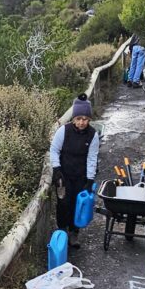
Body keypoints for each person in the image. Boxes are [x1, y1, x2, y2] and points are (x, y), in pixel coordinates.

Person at [50, 94, 99, 248]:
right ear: (73, 119)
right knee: (63, 203)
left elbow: (92, 158)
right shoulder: (63, 131)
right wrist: (56, 169)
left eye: (85, 119)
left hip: (80, 176)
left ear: (89, 119)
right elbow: (54, 150)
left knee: (77, 204)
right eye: (78, 119)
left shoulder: (93, 135)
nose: (81, 122)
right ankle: (62, 231)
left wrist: (90, 179)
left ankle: (74, 233)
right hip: (63, 176)